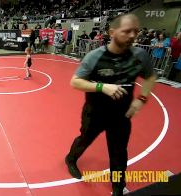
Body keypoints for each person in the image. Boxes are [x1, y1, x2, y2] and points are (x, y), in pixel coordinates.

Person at [64, 14, 157, 196]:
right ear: (112, 32)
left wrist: (142, 99)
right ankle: (70, 159)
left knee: (119, 151)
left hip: (122, 115)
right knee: (84, 139)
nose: (132, 35)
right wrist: (101, 86)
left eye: (135, 31)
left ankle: (117, 186)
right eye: (126, 31)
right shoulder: (95, 56)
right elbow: (75, 82)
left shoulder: (140, 56)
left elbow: (151, 76)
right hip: (95, 112)